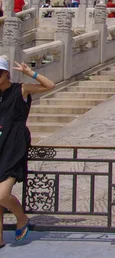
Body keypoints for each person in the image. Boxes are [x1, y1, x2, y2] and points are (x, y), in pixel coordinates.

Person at [0, 56, 55, 243]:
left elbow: (50, 85)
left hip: (14, 143)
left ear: (7, 73)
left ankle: (21, 217)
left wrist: (30, 73)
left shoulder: (20, 89)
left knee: (2, 194)